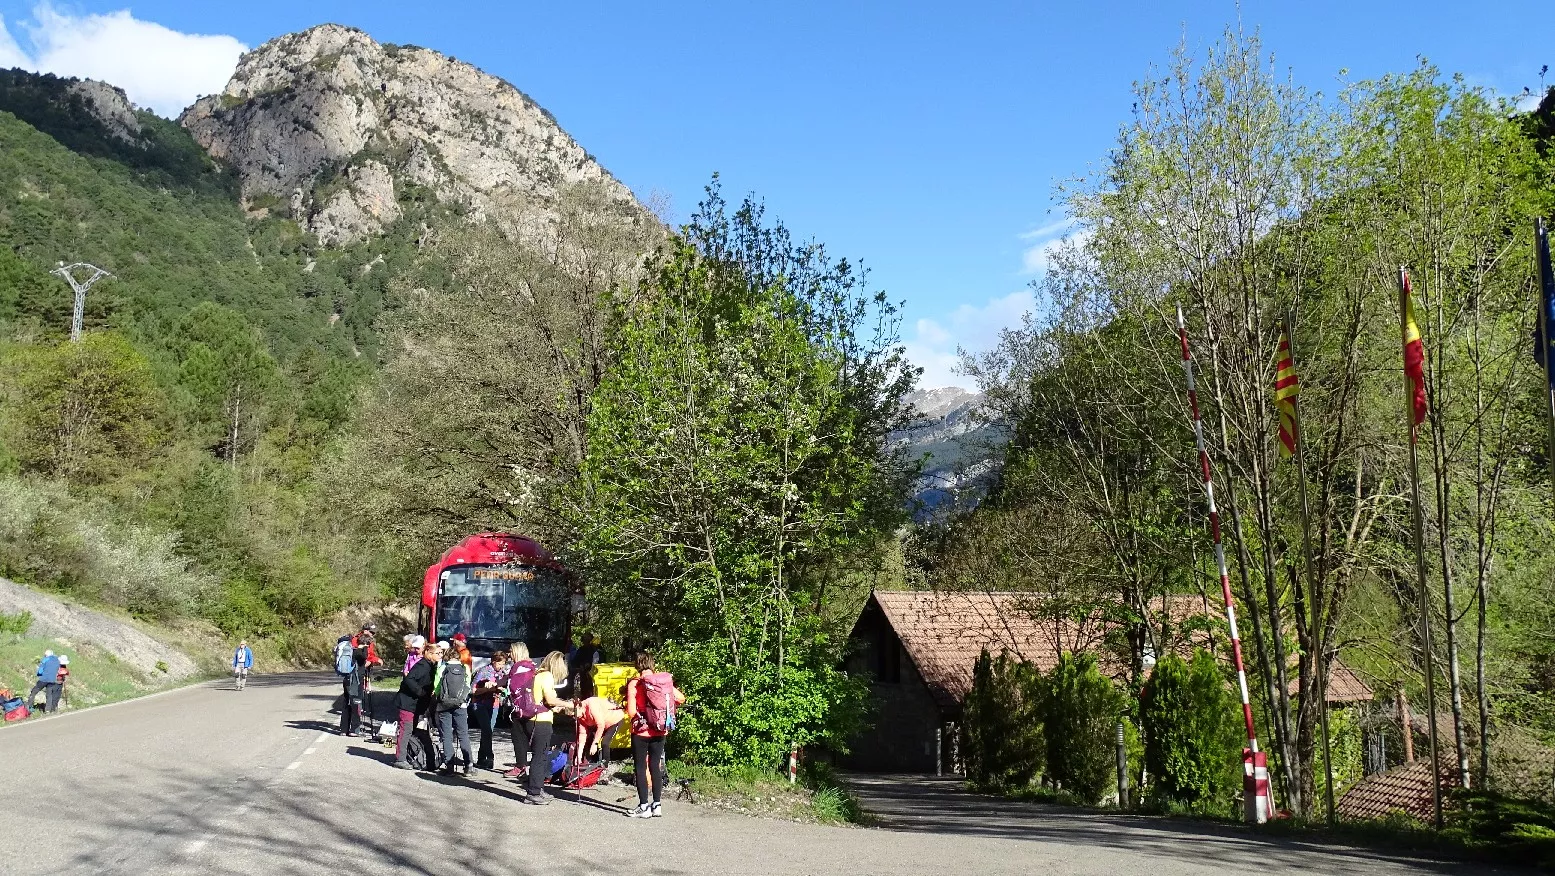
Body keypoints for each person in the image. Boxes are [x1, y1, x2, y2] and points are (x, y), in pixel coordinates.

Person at [624, 651, 684, 818]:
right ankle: (657, 805)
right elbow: (681, 698)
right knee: (655, 766)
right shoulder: (661, 682)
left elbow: (630, 712)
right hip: (660, 729)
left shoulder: (635, 683)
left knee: (641, 768)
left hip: (641, 732)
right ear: (652, 664)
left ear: (637, 665)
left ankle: (644, 806)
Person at [516, 650, 574, 804]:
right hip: (539, 722)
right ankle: (533, 793)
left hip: (535, 720)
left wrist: (555, 707)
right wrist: (569, 704)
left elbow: (543, 701)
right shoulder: (547, 676)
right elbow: (551, 699)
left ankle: (538, 788)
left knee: (540, 755)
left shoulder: (538, 674)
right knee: (539, 756)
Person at [394, 641, 440, 769]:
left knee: (414, 730)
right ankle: (400, 759)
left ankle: (411, 755)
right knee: (406, 730)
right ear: (429, 653)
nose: (440, 655)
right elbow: (409, 679)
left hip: (416, 705)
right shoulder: (422, 665)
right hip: (407, 702)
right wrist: (420, 692)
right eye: (437, 653)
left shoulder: (431, 666)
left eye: (441, 653)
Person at [433, 641, 474, 775]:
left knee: (446, 736)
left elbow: (437, 687)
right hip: (460, 705)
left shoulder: (442, 667)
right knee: (463, 734)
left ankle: (449, 766)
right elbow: (468, 687)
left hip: (444, 705)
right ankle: (469, 765)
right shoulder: (465, 668)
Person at [574, 672, 625, 770]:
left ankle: (604, 767)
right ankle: (587, 763)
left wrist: (595, 743)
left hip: (614, 719)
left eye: (576, 714)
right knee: (589, 739)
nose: (576, 717)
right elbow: (582, 735)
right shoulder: (579, 716)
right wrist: (578, 755)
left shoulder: (591, 705)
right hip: (602, 722)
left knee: (605, 742)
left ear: (579, 706)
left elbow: (600, 725)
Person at [503, 643, 538, 779]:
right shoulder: (532, 666)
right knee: (528, 737)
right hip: (531, 706)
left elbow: (512, 686)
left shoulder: (519, 667)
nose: (509, 654)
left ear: (517, 652)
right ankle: (525, 766)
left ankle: (520, 766)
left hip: (519, 708)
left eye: (511, 652)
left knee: (518, 737)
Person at [470, 650, 508, 770]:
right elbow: (473, 690)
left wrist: (502, 690)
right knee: (486, 730)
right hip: (480, 704)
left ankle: (481, 759)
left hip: (494, 705)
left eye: (503, 664)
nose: (501, 666)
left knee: (488, 732)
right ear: (493, 661)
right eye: (499, 663)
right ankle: (489, 757)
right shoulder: (483, 671)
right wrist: (488, 689)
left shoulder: (502, 673)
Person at [568, 632, 605, 699]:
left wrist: (589, 665)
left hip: (595, 675)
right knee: (585, 691)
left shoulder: (596, 650)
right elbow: (576, 661)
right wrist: (581, 666)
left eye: (587, 640)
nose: (586, 642)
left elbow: (600, 662)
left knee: (593, 690)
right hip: (584, 675)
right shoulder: (581, 650)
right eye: (584, 640)